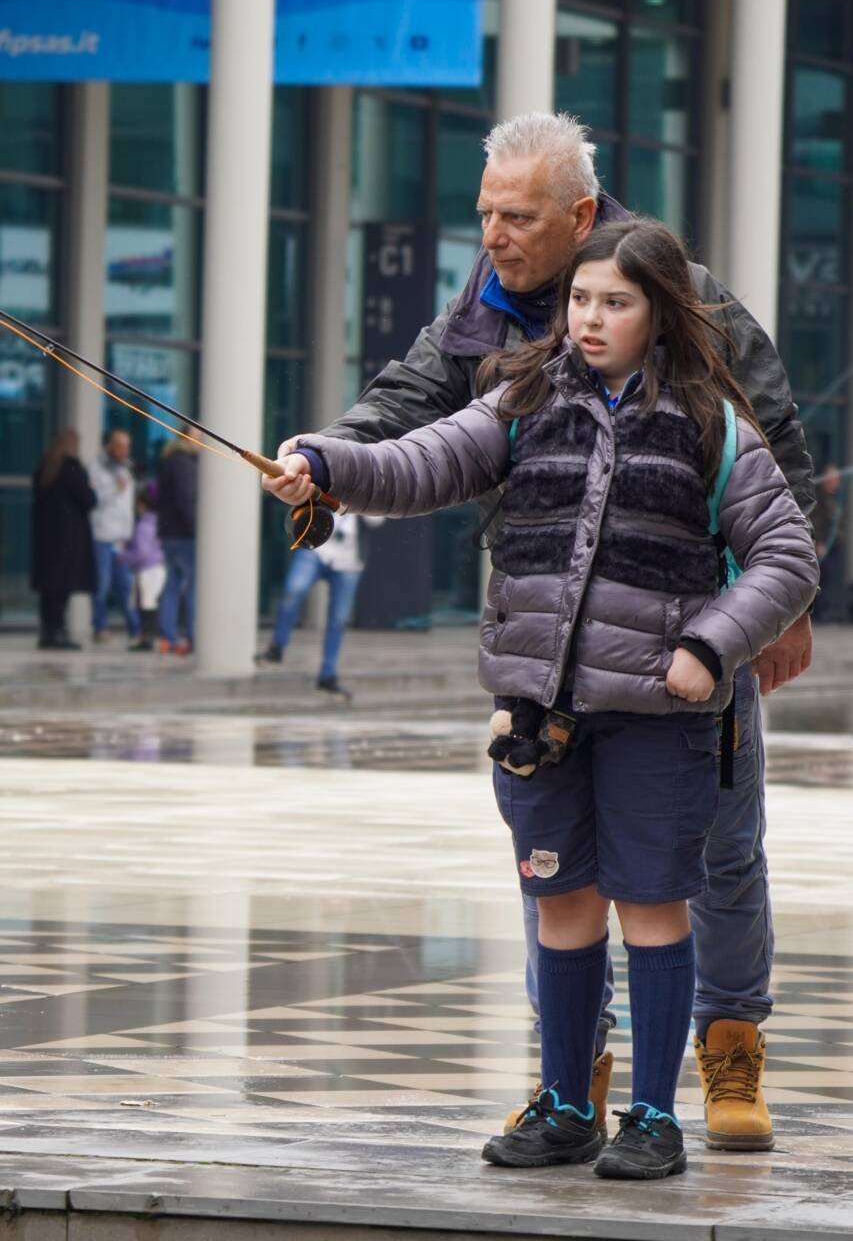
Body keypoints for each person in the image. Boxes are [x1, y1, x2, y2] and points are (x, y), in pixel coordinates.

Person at [264, 112, 817, 1152]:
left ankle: (728, 1043)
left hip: (685, 648)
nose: (493, 236)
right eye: (484, 213)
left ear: (578, 213)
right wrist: (324, 460)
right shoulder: (484, 321)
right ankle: (574, 1074)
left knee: (715, 854)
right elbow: (412, 428)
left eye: (516, 217)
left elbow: (773, 449)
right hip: (551, 663)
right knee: (554, 876)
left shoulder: (686, 298)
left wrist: (757, 623)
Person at [258, 513, 384, 697]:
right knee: (294, 590)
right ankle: (276, 649)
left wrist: (360, 503)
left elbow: (377, 520)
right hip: (315, 547)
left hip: (349, 560)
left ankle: (327, 675)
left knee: (338, 618)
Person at [30, 428, 96, 650]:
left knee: (49, 590)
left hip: (47, 540)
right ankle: (57, 632)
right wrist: (90, 488)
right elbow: (88, 499)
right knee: (61, 588)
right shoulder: (71, 468)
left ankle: (48, 632)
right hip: (67, 540)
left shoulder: (45, 468)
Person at [89, 427, 140, 645]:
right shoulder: (96, 468)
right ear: (108, 445)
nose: (124, 450)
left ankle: (135, 630)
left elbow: (127, 504)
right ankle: (100, 627)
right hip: (102, 535)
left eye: (127, 446)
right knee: (101, 584)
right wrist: (115, 489)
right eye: (119, 445)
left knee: (126, 585)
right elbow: (95, 500)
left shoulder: (126, 468)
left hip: (122, 537)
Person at [157, 429, 198, 655]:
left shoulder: (170, 460)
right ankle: (193, 636)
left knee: (172, 584)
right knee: (193, 586)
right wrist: (196, 528)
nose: (202, 444)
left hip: (169, 532)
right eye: (199, 438)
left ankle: (168, 636)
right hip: (184, 534)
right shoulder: (184, 463)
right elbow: (186, 499)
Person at [119, 487, 166, 651]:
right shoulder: (158, 523)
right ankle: (150, 637)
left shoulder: (143, 526)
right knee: (152, 605)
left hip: (147, 570)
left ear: (142, 505)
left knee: (146, 606)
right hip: (158, 568)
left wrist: (124, 556)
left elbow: (142, 553)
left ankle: (147, 638)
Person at [812, 463, 848, 623]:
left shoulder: (837, 498)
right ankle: (819, 613)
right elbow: (817, 521)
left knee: (832, 581)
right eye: (832, 478)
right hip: (823, 547)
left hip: (835, 547)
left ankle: (831, 611)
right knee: (821, 581)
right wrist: (819, 542)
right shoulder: (819, 499)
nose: (835, 481)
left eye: (837, 478)